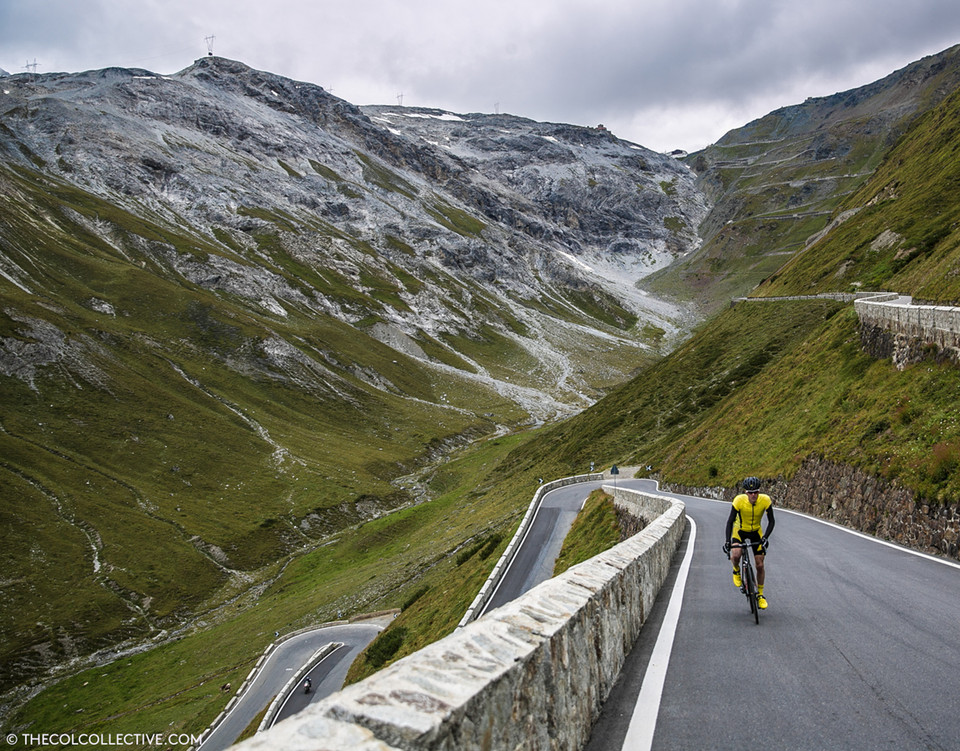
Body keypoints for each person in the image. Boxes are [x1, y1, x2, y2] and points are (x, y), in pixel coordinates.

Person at [723, 476, 775, 609]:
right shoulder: (738, 501)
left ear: (759, 491)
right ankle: (736, 570)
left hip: (756, 532)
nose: (753, 495)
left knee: (759, 565)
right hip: (740, 531)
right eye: (750, 493)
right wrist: (728, 541)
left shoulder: (765, 500)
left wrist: (765, 538)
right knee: (735, 554)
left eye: (756, 492)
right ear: (745, 492)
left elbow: (771, 521)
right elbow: (730, 522)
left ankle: (760, 595)